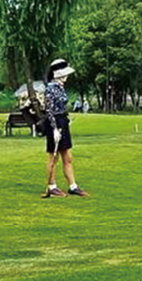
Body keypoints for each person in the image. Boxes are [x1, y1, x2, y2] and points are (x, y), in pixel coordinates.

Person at [41, 59, 89, 198]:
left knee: (68, 157)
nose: (66, 77)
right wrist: (54, 129)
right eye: (64, 74)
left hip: (62, 121)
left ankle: (73, 186)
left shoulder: (60, 87)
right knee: (53, 157)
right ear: (57, 74)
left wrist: (64, 122)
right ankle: (52, 186)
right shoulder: (50, 89)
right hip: (53, 123)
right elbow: (48, 110)